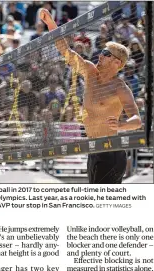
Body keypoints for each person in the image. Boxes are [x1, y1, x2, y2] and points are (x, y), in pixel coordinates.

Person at [40, 9, 141, 184]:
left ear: (117, 63)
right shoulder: (90, 72)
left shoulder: (120, 87)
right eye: (102, 51)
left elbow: (137, 120)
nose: (100, 55)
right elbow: (67, 52)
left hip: (111, 151)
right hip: (92, 148)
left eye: (106, 54)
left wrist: (121, 124)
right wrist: (51, 23)